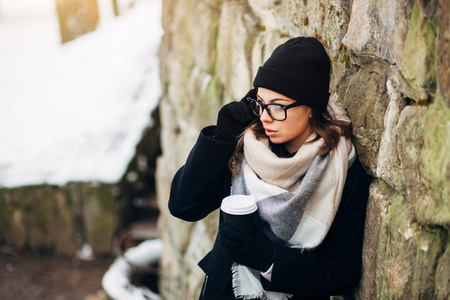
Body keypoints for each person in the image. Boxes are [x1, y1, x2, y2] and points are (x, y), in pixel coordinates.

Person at [168, 37, 369, 300]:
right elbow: (184, 205)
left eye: (277, 106)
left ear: (311, 107)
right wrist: (221, 136)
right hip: (223, 290)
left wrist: (269, 260)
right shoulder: (248, 148)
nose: (264, 116)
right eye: (260, 103)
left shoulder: (341, 171)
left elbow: (343, 272)